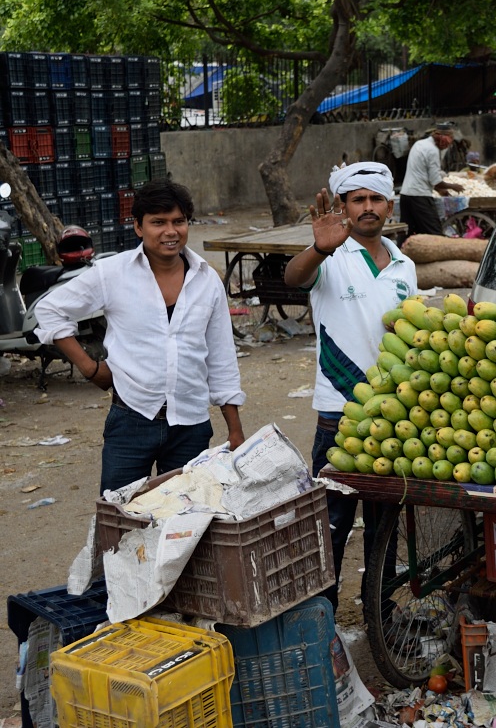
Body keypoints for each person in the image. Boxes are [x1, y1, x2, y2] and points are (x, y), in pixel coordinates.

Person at [34, 180, 246, 494]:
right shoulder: (112, 273)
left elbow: (221, 357)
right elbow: (49, 310)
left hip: (191, 425)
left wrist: (235, 431)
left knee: (187, 514)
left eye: (178, 221)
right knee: (120, 513)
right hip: (130, 420)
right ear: (138, 227)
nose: (170, 232)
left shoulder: (207, 281)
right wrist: (90, 367)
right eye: (158, 222)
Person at [283, 162, 418, 613]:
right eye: (357, 199)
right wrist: (319, 249)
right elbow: (294, 278)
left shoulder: (404, 265)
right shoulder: (331, 258)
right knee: (330, 525)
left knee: (385, 524)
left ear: (389, 206)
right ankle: (321, 618)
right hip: (338, 414)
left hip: (393, 412)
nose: (368, 207)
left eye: (376, 198)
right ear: (343, 207)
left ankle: (381, 611)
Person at [399, 124, 464, 238]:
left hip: (405, 195)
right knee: (434, 233)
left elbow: (423, 174)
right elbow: (435, 180)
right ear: (442, 140)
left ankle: (399, 249)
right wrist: (453, 186)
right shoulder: (432, 150)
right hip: (420, 196)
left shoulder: (419, 144)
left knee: (406, 233)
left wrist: (440, 190)